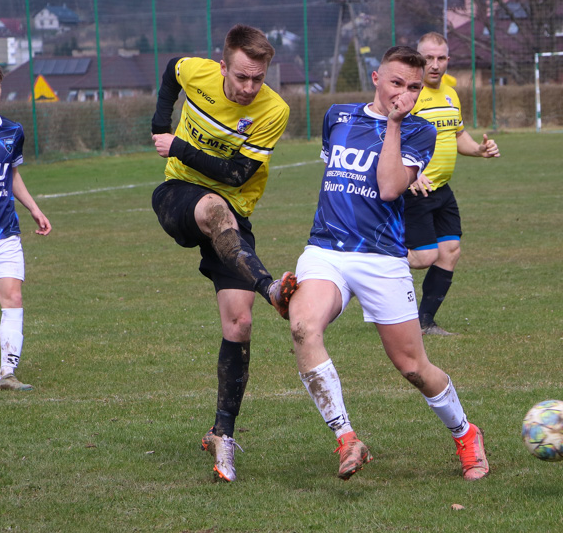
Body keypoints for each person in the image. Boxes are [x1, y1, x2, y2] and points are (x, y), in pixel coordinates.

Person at [287, 46, 490, 482]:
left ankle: (466, 432)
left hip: (381, 258)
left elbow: (389, 188)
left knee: (413, 367)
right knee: (303, 326)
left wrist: (394, 123)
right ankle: (346, 439)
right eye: (397, 83)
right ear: (376, 77)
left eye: (414, 87)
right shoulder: (337, 116)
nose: (406, 92)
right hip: (327, 250)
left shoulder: (419, 131)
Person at [150, 24, 297, 482]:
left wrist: (178, 143)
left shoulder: (275, 110)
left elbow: (236, 173)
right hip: (178, 195)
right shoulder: (198, 73)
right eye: (241, 77)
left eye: (258, 78)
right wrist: (161, 125)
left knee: (241, 321)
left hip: (231, 214)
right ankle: (271, 285)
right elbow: (172, 68)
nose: (250, 88)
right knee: (211, 206)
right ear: (222, 66)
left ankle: (222, 434)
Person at [404, 32, 500, 336]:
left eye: (441, 58)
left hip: (442, 188)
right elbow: (386, 139)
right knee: (422, 257)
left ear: (448, 59)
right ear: (417, 58)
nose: (434, 64)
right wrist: (411, 173)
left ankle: (424, 322)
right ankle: (371, 262)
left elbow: (457, 135)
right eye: (428, 58)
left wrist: (479, 150)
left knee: (450, 250)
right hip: (415, 189)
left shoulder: (449, 93)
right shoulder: (408, 94)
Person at [0, 59, 52, 391]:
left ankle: (6, 373)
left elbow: (11, 175)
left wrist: (35, 208)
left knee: (13, 296)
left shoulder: (12, 131)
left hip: (3, 229)